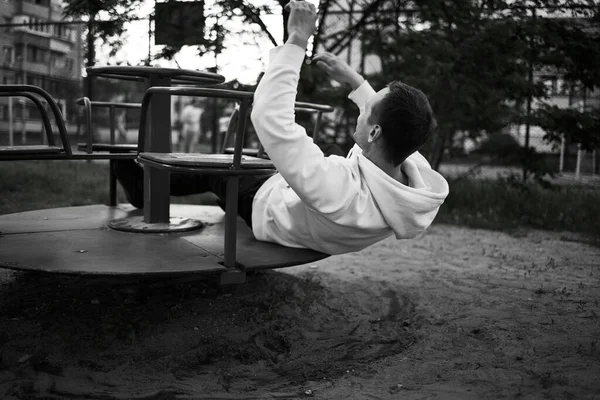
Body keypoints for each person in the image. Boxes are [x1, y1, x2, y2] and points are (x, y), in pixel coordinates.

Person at [113, 0, 449, 255]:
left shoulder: (340, 190)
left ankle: (141, 187)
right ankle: (199, 192)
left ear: (375, 133)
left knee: (222, 170)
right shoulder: (412, 176)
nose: (363, 109)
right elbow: (392, 120)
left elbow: (271, 118)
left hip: (266, 211)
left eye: (368, 108)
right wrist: (355, 82)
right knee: (237, 164)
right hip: (305, 208)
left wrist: (296, 41)